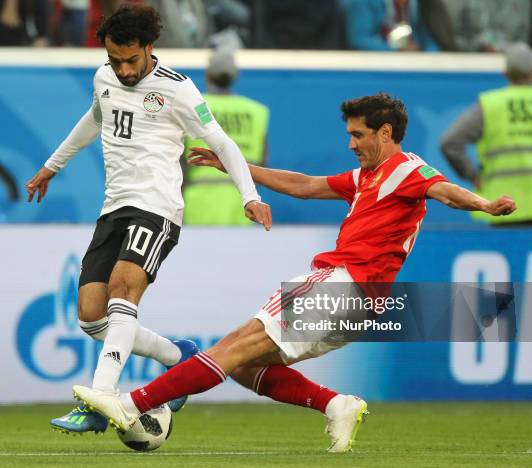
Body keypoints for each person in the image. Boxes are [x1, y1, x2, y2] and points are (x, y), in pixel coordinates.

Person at [72, 93, 516, 452]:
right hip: (359, 300)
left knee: (230, 349)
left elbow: (444, 190)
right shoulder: (367, 177)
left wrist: (484, 203)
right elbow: (305, 185)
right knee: (243, 365)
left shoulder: (407, 169)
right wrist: (235, 165)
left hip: (344, 285)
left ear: (386, 133)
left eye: (358, 135)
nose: (351, 144)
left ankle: (129, 403)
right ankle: (336, 404)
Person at [25, 3, 271, 434]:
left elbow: (225, 144)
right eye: (115, 60)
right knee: (90, 317)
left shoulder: (178, 90)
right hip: (113, 209)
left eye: (131, 60)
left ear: (149, 48)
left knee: (124, 289)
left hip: (157, 207)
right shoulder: (105, 76)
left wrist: (249, 195)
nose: (122, 69)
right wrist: (53, 165)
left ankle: (100, 399)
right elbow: (94, 118)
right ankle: (178, 357)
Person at [440, 42, 532, 226]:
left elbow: (450, 142)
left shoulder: (490, 105)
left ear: (505, 74)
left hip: (505, 204)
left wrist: (472, 175)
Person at [184, 49, 269, 225]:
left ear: (208, 74)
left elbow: (179, 163)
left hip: (199, 203)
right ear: (235, 76)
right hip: (244, 205)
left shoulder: (196, 107)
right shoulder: (255, 111)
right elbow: (263, 163)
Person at [343, 0, 437, 51]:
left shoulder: (421, 3)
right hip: (373, 65)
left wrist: (432, 59)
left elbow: (428, 38)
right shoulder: (363, 2)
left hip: (415, 64)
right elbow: (359, 40)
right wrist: (396, 51)